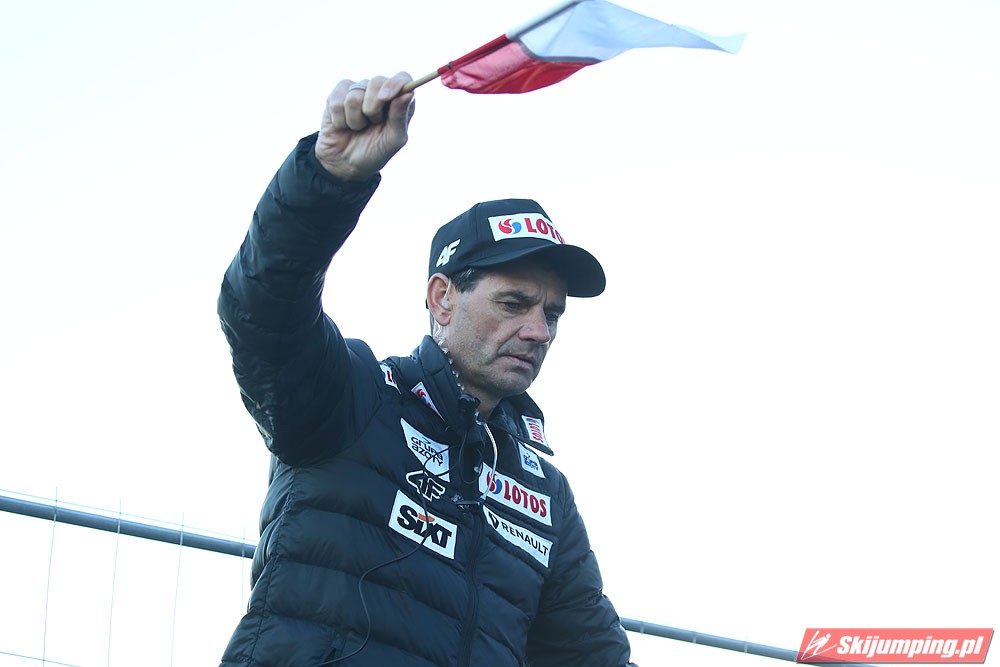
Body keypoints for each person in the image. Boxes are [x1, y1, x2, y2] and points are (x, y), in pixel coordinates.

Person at [217, 71, 636, 667]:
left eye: (551, 314)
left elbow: (593, 655)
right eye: (514, 304)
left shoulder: (546, 493)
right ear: (443, 298)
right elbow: (262, 310)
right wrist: (328, 181)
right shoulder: (357, 394)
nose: (539, 331)